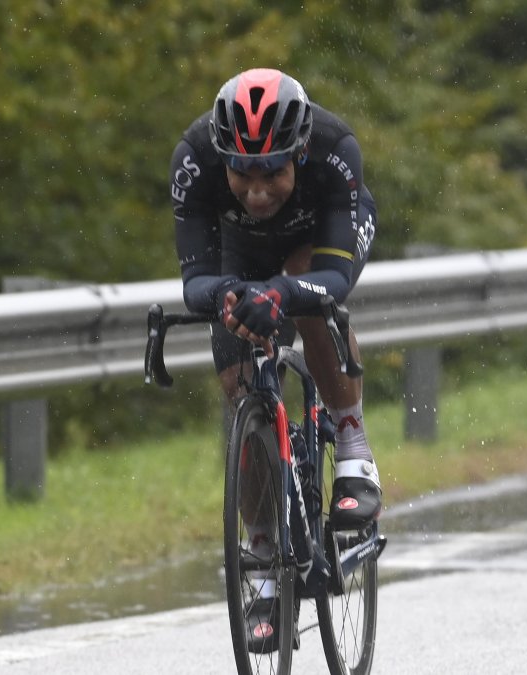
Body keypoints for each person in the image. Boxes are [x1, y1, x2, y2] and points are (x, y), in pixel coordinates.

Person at [169, 68, 380, 649]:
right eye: (242, 173)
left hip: (321, 238)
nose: (257, 190)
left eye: (273, 173)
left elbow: (334, 278)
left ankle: (354, 447)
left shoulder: (336, 151)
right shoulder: (193, 159)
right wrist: (228, 298)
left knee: (307, 291)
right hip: (240, 253)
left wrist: (283, 294)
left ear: (300, 154)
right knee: (238, 375)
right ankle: (262, 560)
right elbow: (196, 281)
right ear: (221, 158)